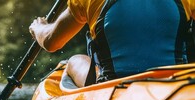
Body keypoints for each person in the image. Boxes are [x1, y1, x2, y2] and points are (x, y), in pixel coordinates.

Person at [29, 0, 195, 87]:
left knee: (74, 61)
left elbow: (52, 42)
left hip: (111, 86)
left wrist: (38, 28)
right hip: (176, 84)